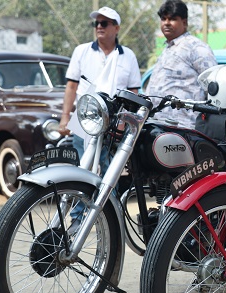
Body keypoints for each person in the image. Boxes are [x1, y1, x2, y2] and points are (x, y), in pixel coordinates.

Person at [58, 6, 141, 226]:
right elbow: (71, 86)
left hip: (114, 123)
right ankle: (77, 219)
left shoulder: (127, 56)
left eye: (104, 23)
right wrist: (65, 118)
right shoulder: (82, 51)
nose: (99, 27)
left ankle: (110, 221)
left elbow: (134, 92)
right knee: (80, 170)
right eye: (97, 23)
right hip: (84, 120)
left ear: (116, 28)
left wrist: (125, 123)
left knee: (109, 173)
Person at [146, 0, 217, 128]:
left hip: (183, 127)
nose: (167, 23)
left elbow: (214, 88)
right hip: (158, 124)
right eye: (163, 19)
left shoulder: (196, 48)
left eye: (172, 19)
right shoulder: (168, 48)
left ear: (184, 22)